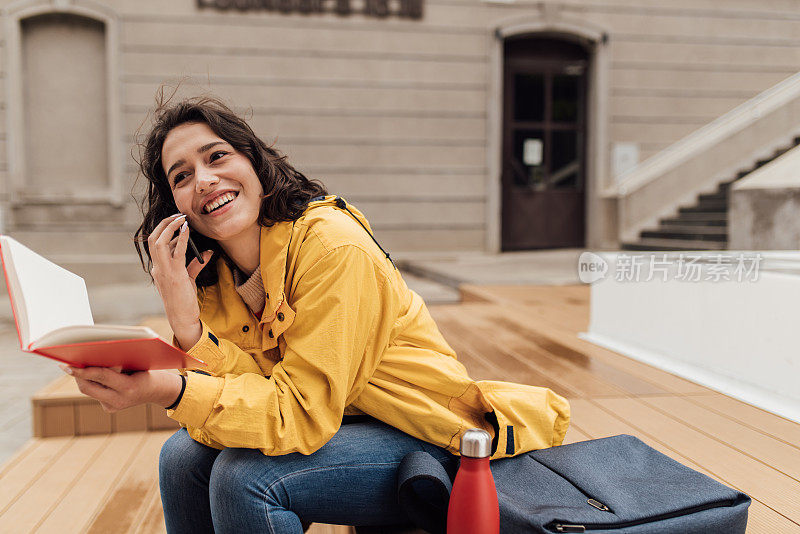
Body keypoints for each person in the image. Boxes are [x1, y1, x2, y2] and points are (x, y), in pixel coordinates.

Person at [61, 96, 570, 533]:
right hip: (341, 426)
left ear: (255, 162)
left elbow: (298, 415)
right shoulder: (211, 278)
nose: (205, 179)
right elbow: (254, 392)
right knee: (182, 458)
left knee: (245, 478)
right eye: (182, 175)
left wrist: (167, 388)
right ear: (174, 204)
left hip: (429, 438)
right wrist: (187, 322)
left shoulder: (333, 247)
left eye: (217, 155)